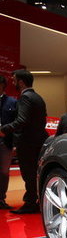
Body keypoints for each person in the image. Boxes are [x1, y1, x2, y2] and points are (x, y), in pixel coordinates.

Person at [0, 69, 48, 214]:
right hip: (38, 141)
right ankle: (35, 201)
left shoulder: (25, 97)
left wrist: (4, 129)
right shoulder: (38, 97)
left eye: (14, 80)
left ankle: (30, 203)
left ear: (21, 82)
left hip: (27, 142)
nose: (13, 83)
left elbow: (21, 120)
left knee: (28, 174)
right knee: (34, 173)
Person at [0, 76, 17, 210]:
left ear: (3, 85)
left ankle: (1, 199)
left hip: (5, 142)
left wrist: (15, 143)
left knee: (4, 172)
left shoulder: (13, 102)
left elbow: (17, 124)